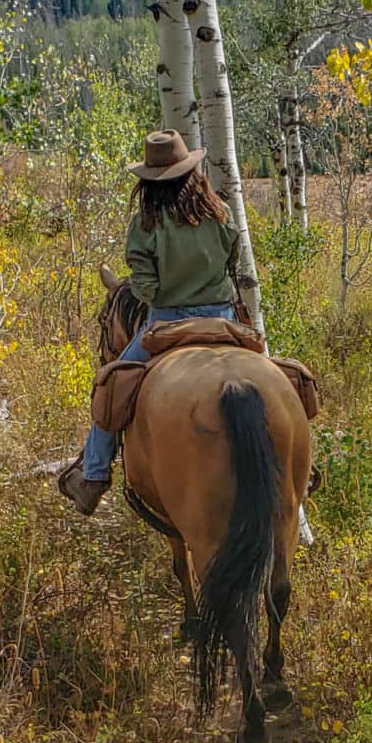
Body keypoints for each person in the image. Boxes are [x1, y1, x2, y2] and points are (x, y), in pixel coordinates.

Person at [61, 129, 239, 515]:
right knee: (273, 369)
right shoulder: (220, 212)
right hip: (223, 319)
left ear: (149, 182)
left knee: (112, 385)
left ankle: (92, 475)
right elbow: (233, 258)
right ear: (191, 172)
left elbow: (144, 286)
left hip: (166, 323)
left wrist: (158, 290)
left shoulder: (146, 224)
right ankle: (303, 464)